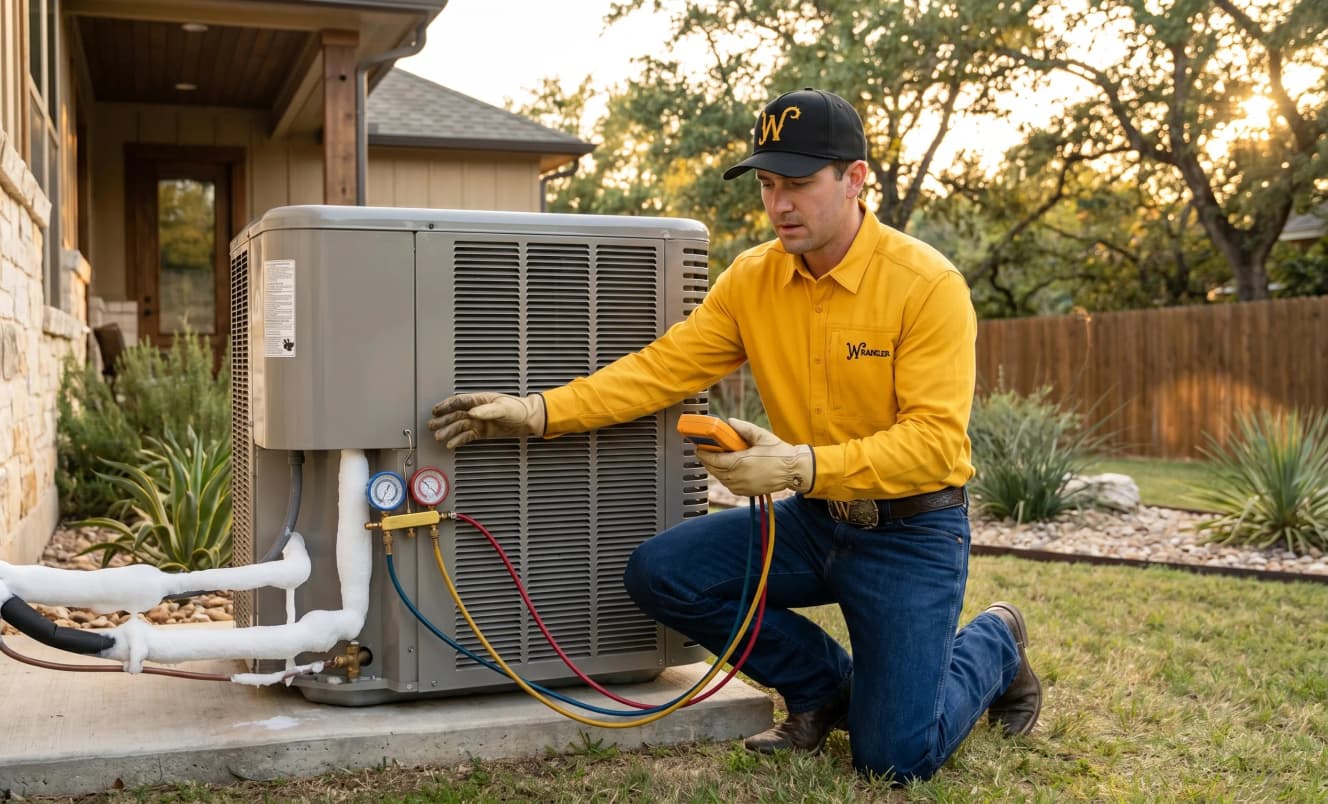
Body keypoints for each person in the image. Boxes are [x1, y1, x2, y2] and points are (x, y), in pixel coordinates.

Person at [426, 88, 1041, 782]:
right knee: (663, 575)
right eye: (770, 184)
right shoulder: (753, 279)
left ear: (855, 179)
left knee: (895, 759)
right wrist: (538, 411)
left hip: (911, 534)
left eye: (801, 184)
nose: (780, 205)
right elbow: (662, 369)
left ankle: (996, 642)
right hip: (815, 523)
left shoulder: (926, 285)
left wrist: (798, 465)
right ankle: (822, 685)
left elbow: (934, 444)